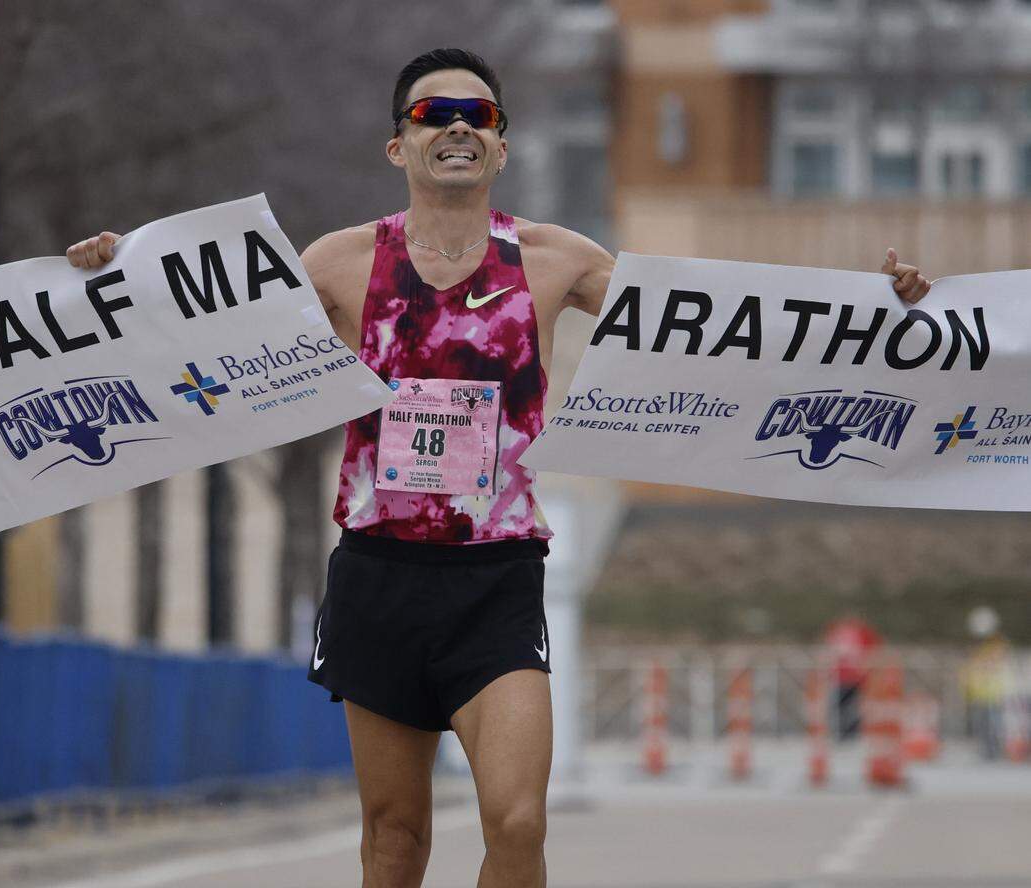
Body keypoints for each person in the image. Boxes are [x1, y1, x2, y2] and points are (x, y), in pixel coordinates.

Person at [66, 47, 931, 888]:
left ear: (502, 145)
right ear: (398, 145)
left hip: (498, 582)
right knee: (395, 840)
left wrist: (867, 307)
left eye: (477, 115)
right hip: (379, 575)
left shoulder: (555, 259)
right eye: (431, 114)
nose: (456, 128)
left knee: (517, 821)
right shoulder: (340, 261)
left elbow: (720, 328)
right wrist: (119, 276)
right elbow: (209, 336)